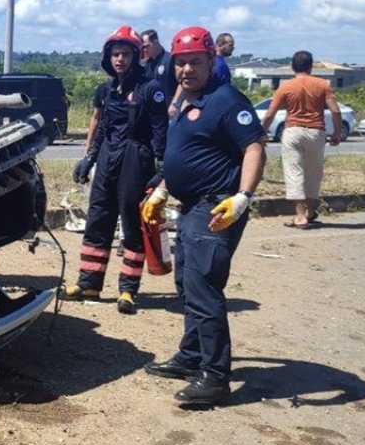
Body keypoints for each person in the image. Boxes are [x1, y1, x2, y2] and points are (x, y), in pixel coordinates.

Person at [140, 26, 265, 406]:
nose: (187, 70)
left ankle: (214, 376)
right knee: (187, 282)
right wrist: (163, 188)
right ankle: (191, 356)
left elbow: (255, 148)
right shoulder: (188, 101)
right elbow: (187, 152)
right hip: (190, 204)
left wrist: (243, 196)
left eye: (195, 62)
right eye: (180, 63)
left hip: (216, 207)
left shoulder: (226, 100)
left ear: (213, 60)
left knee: (203, 286)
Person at [67, 26, 168, 314]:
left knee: (132, 224)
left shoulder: (151, 90)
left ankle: (127, 291)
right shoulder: (107, 90)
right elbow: (102, 129)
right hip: (108, 158)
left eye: (125, 54)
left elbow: (161, 130)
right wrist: (89, 158)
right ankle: (89, 284)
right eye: (115, 54)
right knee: (98, 218)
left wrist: (160, 166)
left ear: (136, 56)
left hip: (137, 158)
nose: (119, 59)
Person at [260, 51, 341, 229]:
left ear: (292, 67)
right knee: (313, 173)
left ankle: (299, 216)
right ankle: (310, 211)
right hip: (316, 131)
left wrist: (263, 133)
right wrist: (336, 133)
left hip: (293, 130)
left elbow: (270, 113)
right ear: (311, 66)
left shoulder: (286, 86)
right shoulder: (322, 85)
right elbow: (335, 111)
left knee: (293, 172)